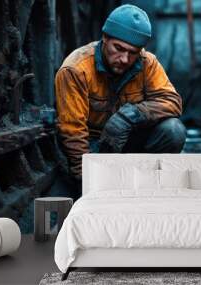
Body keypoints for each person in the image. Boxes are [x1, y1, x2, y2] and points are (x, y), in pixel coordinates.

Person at [54, 4, 187, 196]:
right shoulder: (76, 69)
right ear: (105, 38)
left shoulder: (147, 64)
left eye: (133, 52)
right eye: (118, 48)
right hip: (94, 147)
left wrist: (129, 117)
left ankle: (148, 191)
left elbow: (172, 101)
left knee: (173, 130)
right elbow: (72, 129)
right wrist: (84, 178)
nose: (124, 59)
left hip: (130, 141)